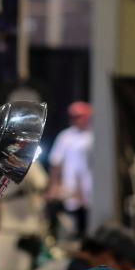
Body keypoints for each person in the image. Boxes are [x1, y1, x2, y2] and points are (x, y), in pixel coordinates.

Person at [48, 101, 93, 238]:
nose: (76, 119)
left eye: (79, 116)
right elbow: (56, 163)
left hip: (90, 188)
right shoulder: (65, 136)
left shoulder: (94, 135)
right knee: (71, 222)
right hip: (70, 188)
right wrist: (54, 185)